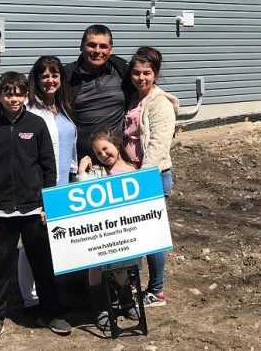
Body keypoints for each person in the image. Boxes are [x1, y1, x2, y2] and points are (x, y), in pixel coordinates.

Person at [0, 71, 72, 345]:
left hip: (33, 210)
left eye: (18, 93)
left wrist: (47, 204)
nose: (13, 98)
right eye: (7, 94)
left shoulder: (36, 124)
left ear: (26, 95)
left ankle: (49, 313)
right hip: (2, 212)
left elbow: (48, 167)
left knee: (43, 264)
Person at [17, 56, 77, 315]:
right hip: (39, 189)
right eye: (44, 75)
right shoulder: (29, 110)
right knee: (30, 247)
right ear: (36, 79)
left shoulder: (62, 107)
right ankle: (31, 300)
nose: (50, 80)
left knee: (53, 243)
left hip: (64, 186)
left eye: (55, 75)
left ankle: (49, 293)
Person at [123, 46, 179, 307]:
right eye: (136, 73)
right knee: (133, 233)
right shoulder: (135, 98)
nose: (141, 78)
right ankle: (132, 282)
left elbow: (158, 145)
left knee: (152, 235)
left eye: (146, 73)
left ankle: (156, 290)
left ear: (155, 74)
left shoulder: (160, 103)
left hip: (151, 177)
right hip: (131, 175)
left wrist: (142, 178)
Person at [77, 128, 139, 331]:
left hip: (121, 231)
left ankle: (127, 302)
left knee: (121, 267)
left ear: (116, 144)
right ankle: (101, 309)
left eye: (105, 149)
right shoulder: (97, 172)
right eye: (98, 153)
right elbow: (82, 191)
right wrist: (81, 171)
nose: (103, 155)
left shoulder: (132, 170)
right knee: (95, 268)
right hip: (98, 232)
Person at [64, 24, 134, 161]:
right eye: (91, 45)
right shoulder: (67, 76)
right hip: (83, 159)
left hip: (118, 157)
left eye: (103, 46)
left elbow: (147, 94)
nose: (97, 51)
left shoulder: (123, 71)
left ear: (111, 50)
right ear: (81, 46)